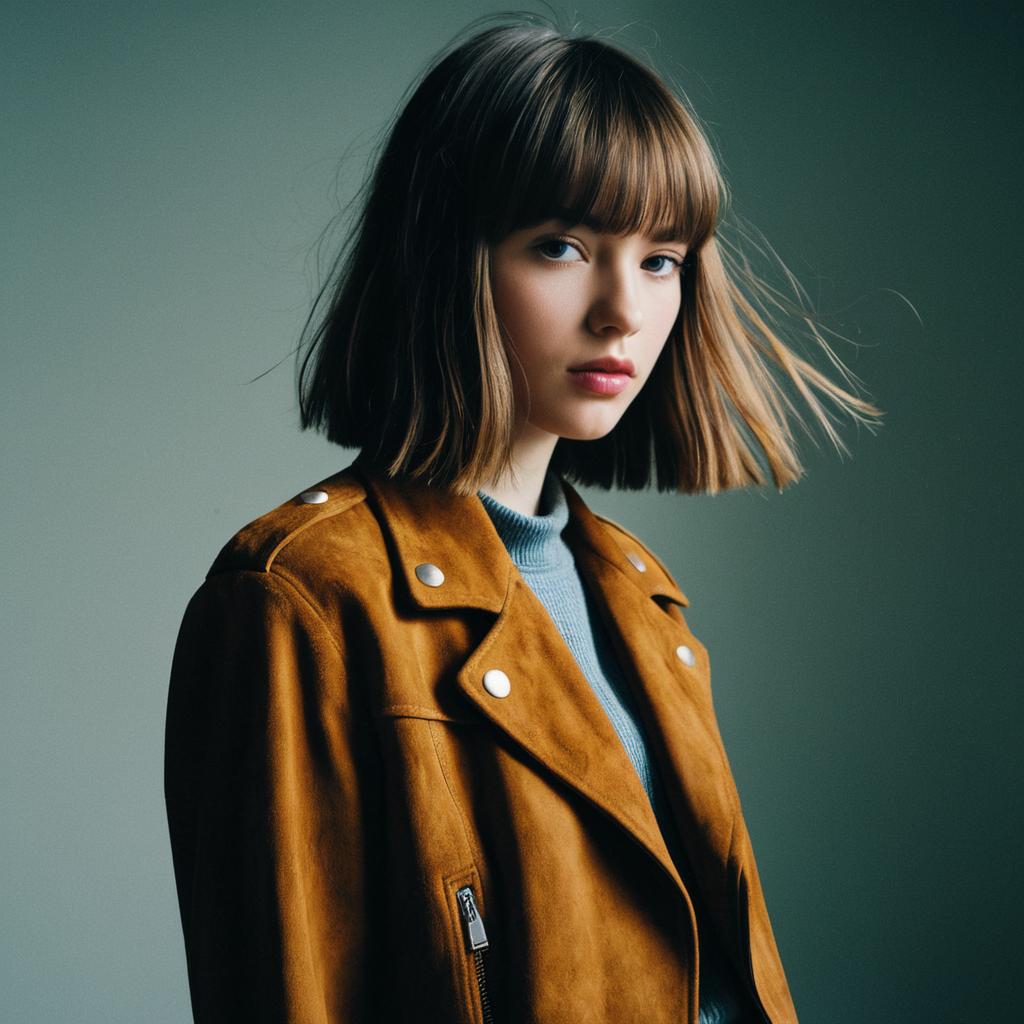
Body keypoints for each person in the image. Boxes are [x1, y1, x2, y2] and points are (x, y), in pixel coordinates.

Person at [163, 14, 882, 1024]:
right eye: (560, 246)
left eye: (661, 258)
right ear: (445, 256)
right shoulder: (299, 600)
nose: (622, 310)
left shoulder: (641, 595)